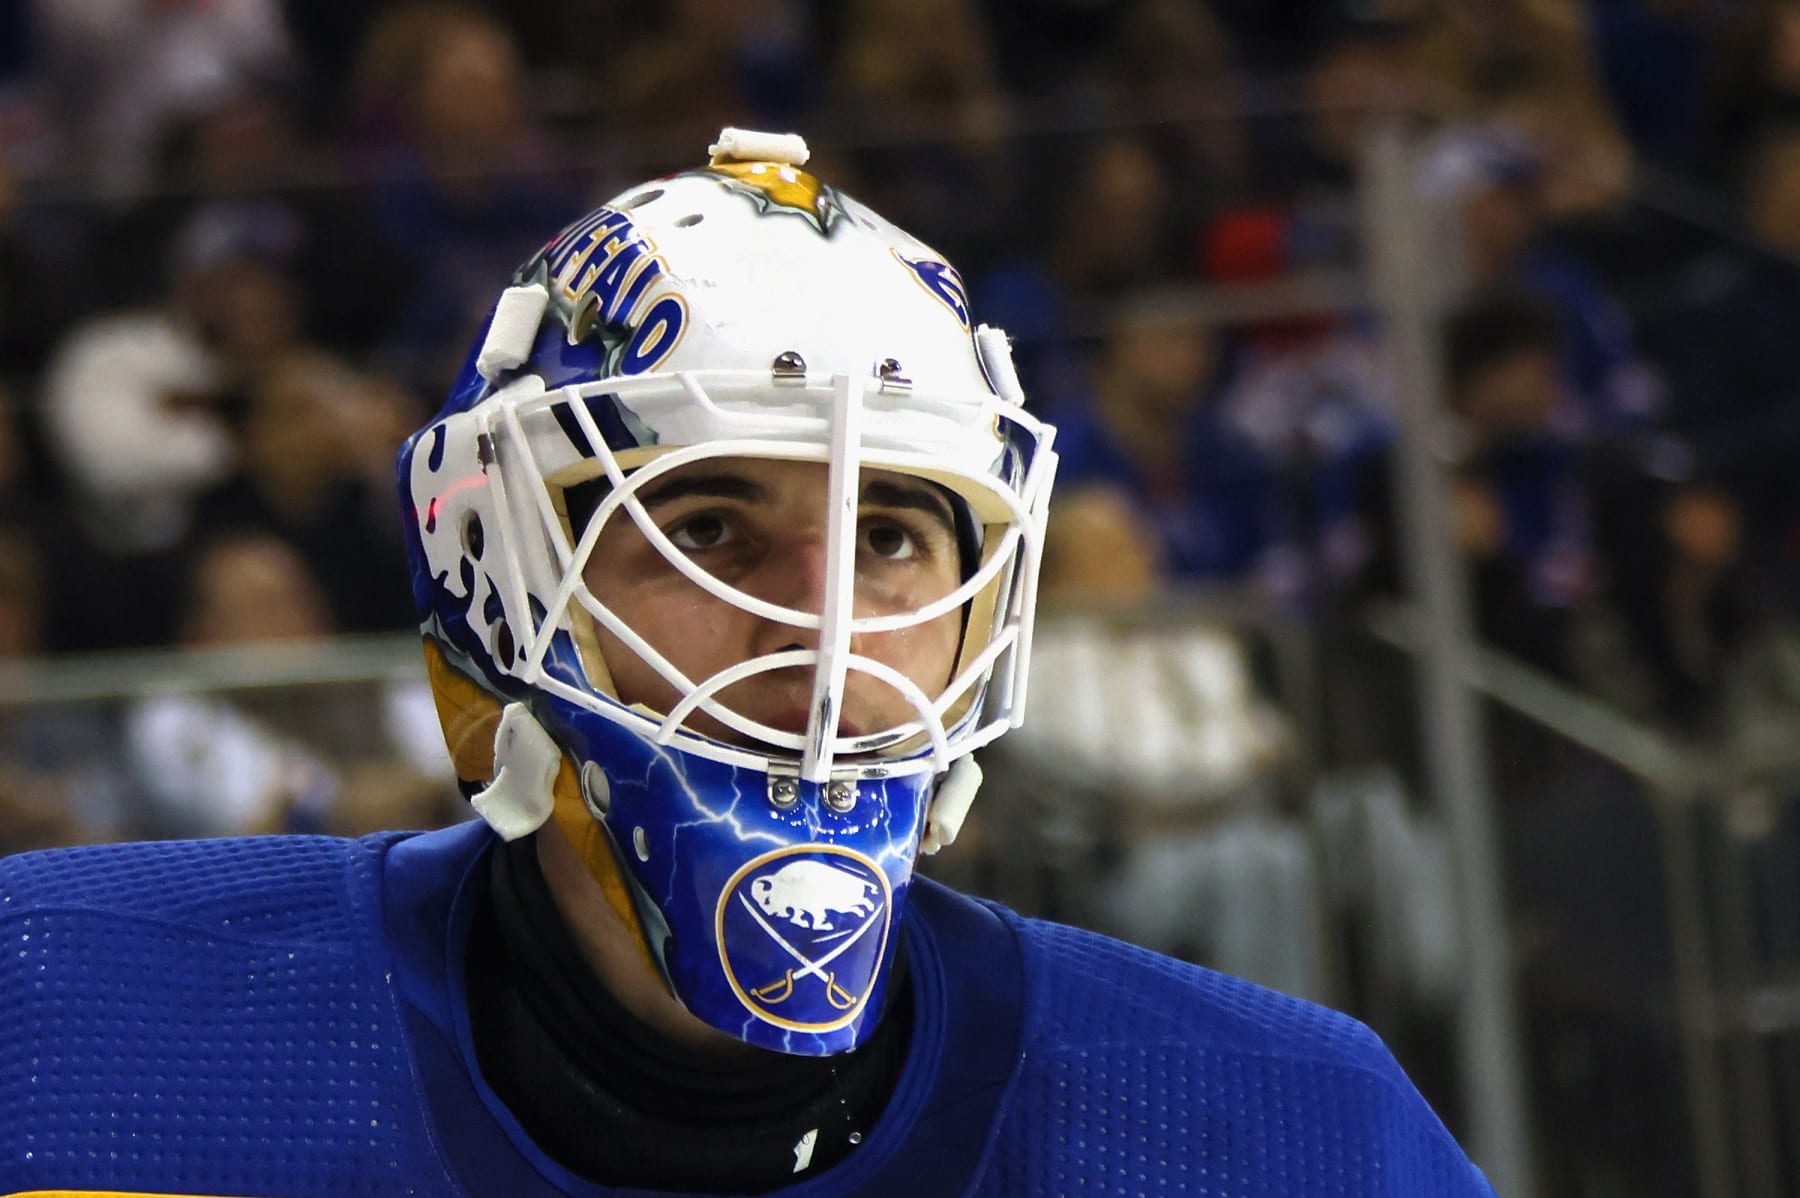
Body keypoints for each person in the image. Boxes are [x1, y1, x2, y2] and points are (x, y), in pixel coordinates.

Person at [0, 128, 1495, 1197]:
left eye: (897, 539)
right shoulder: (61, 1012)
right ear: (498, 574)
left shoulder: (1299, 1131)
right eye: (708, 525)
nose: (822, 633)